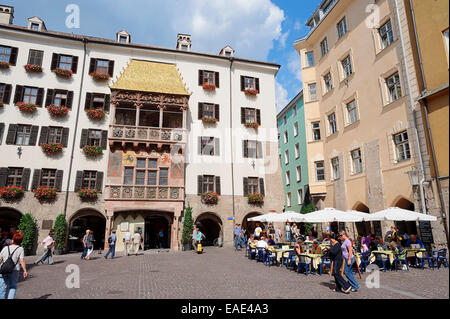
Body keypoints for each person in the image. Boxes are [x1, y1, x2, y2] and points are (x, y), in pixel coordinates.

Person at [0, 232, 28, 299]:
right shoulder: (20, 249)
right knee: (13, 286)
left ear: (13, 240)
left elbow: (0, 259)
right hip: (14, 270)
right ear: (21, 241)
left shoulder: (5, 248)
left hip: (3, 269)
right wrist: (25, 270)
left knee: (2, 287)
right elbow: (22, 260)